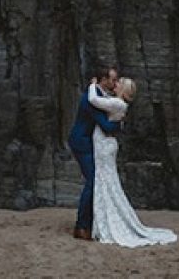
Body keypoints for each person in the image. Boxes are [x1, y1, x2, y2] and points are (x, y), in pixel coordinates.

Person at [87, 76, 177, 247]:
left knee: (106, 182)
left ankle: (107, 223)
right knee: (107, 182)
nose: (116, 84)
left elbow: (93, 100)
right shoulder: (117, 103)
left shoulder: (118, 104)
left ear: (124, 90)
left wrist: (93, 85)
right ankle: (102, 222)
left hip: (104, 146)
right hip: (105, 145)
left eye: (119, 83)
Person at [67, 65, 121, 240]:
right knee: (92, 181)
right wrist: (119, 123)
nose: (115, 83)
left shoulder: (99, 96)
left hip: (87, 143)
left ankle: (88, 223)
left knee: (94, 181)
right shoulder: (92, 99)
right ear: (103, 80)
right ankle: (81, 226)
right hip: (82, 143)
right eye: (112, 80)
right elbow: (105, 125)